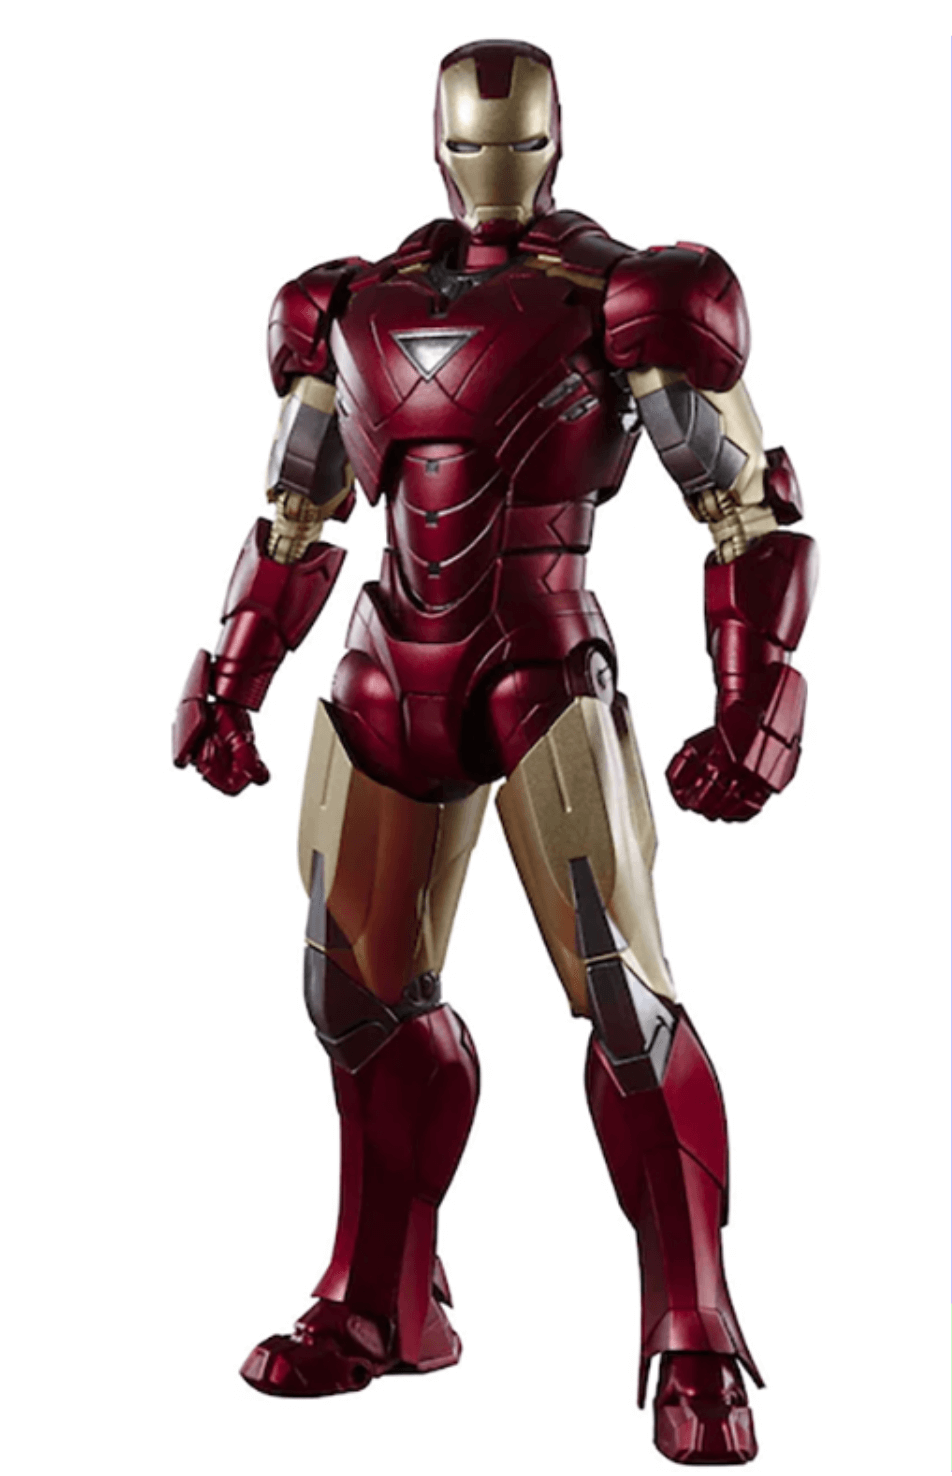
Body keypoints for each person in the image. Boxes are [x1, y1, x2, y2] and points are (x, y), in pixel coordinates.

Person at [174, 39, 816, 1466]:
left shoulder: (626, 299)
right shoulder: (356, 304)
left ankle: (695, 1329)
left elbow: (749, 511)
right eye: (474, 141)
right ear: (439, 144)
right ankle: (383, 1302)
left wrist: (757, 703)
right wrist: (230, 675)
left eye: (513, 139)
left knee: (627, 1004)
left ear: (554, 140)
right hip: (388, 663)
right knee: (353, 997)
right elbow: (296, 513)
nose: (493, 163)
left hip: (541, 664)